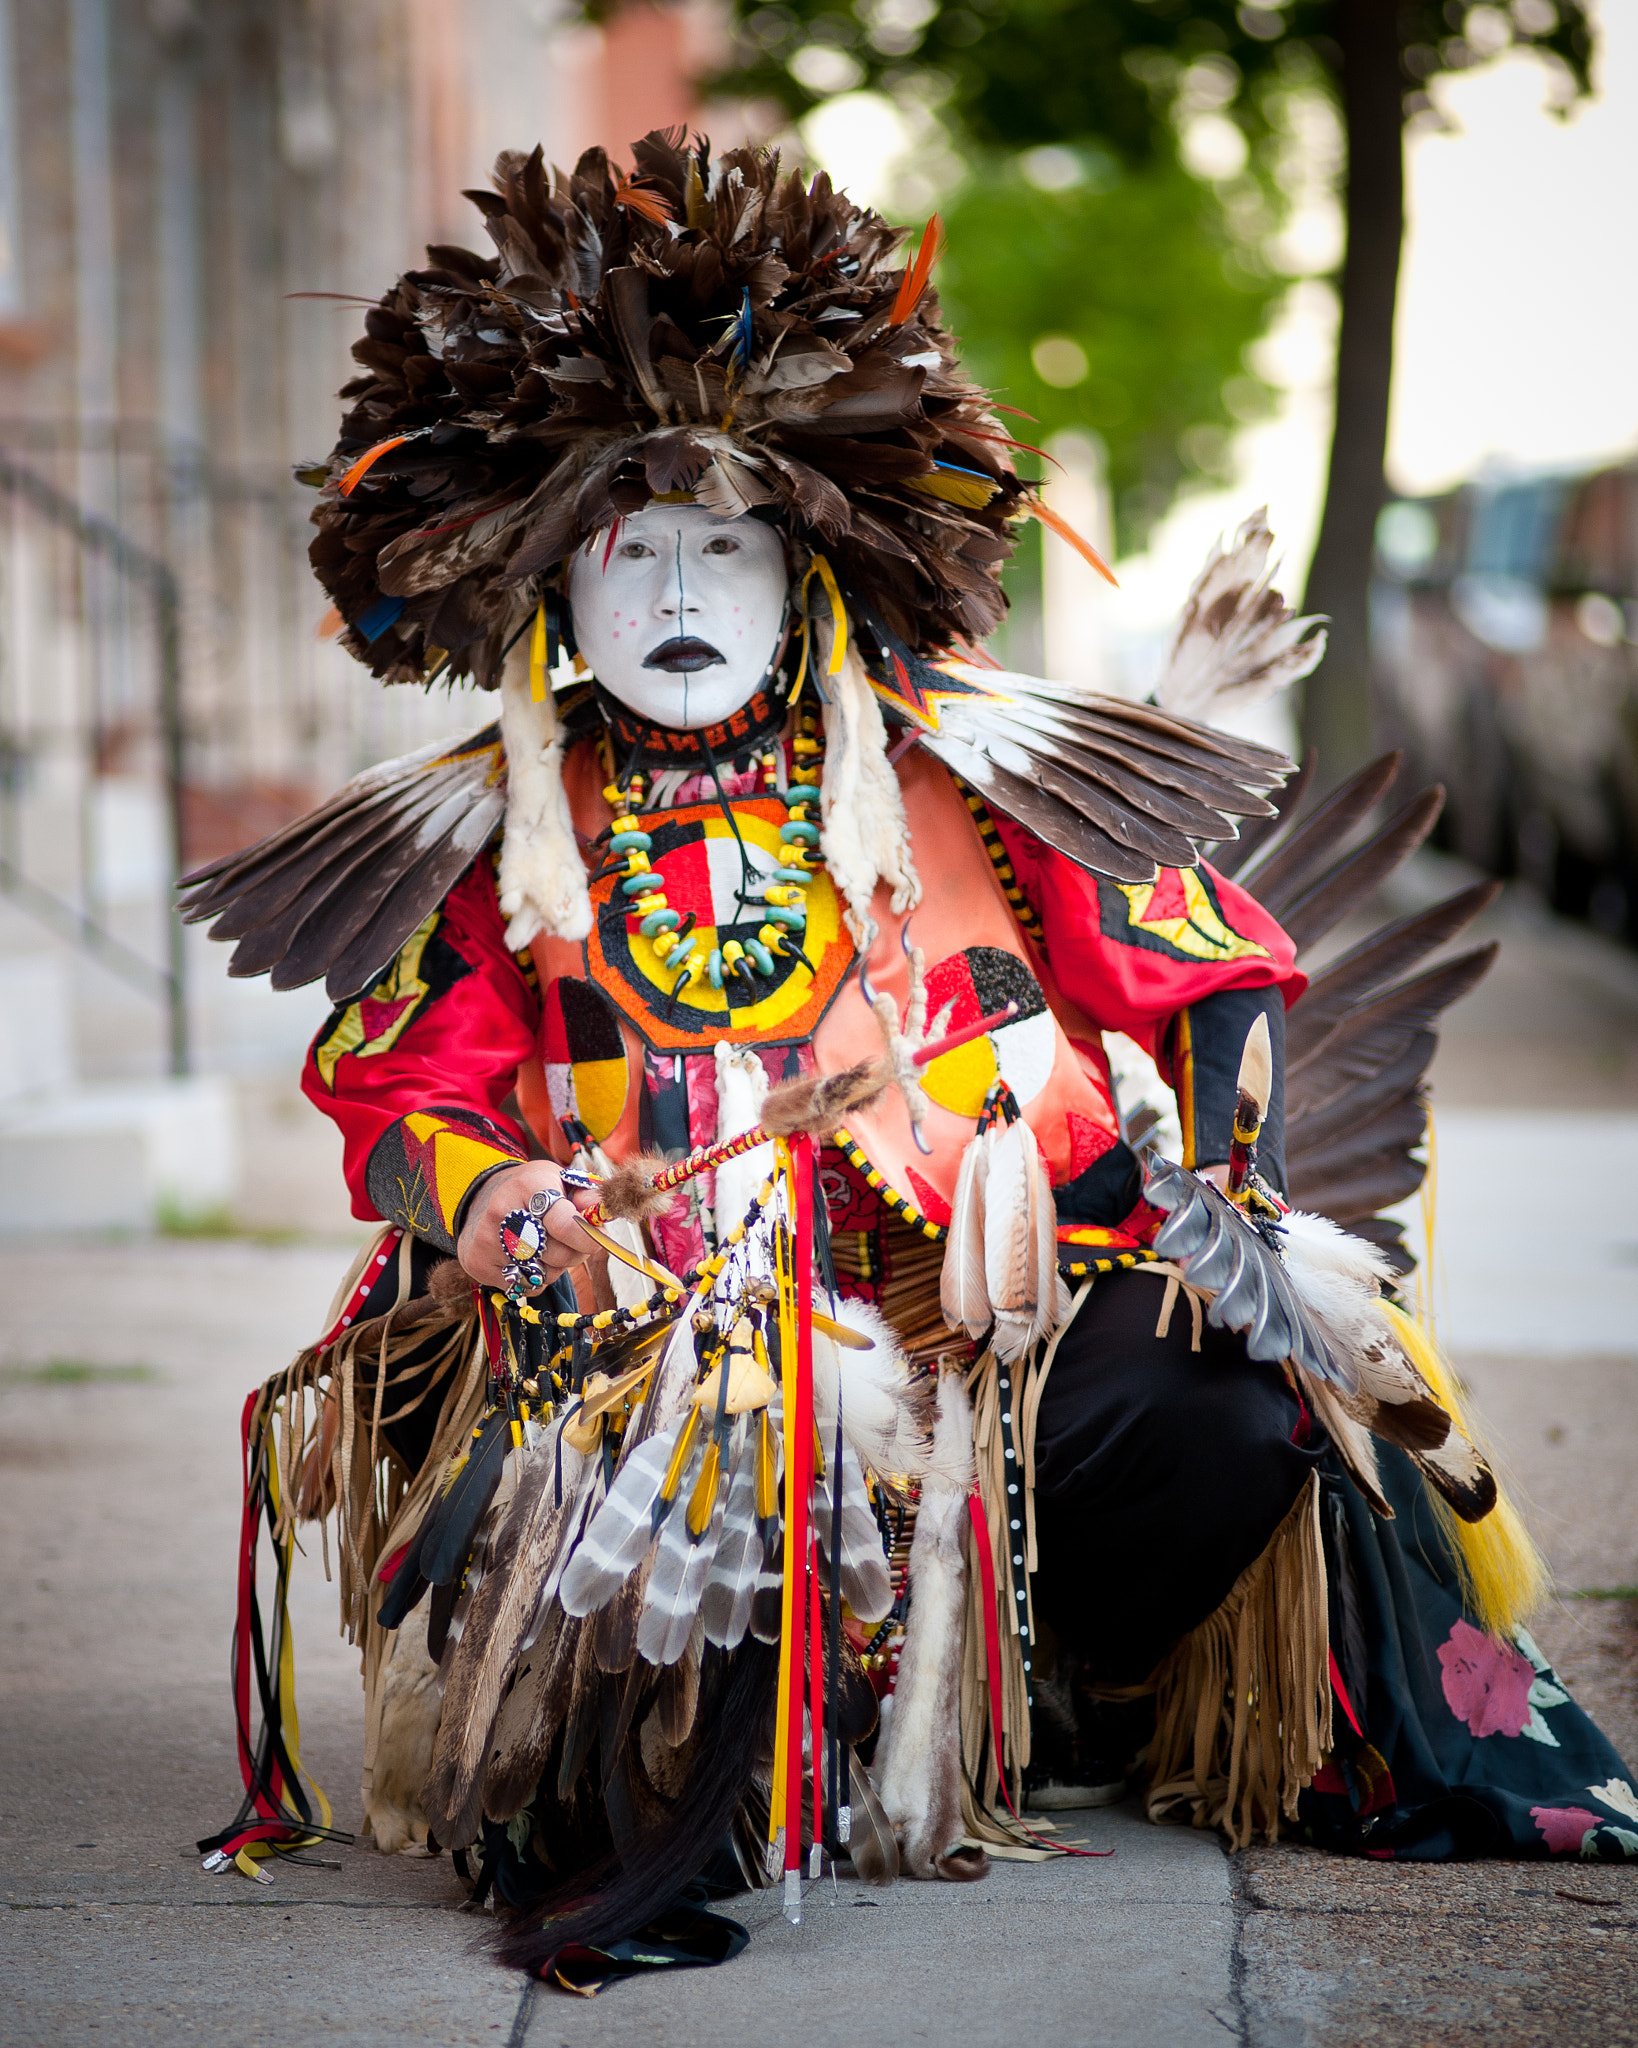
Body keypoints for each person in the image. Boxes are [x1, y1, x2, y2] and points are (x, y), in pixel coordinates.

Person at [185, 131, 1637, 1983]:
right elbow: (399, 1099)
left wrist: (1230, 1195)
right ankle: (714, 1759)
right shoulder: (496, 837)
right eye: (633, 556)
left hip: (982, 1334)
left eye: (732, 548)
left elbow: (1213, 968)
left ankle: (1061, 1682)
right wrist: (492, 1210)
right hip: (637, 1354)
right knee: (706, 1485)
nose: (683, 594)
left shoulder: (958, 776)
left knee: (1235, 1395)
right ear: (554, 593)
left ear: (812, 577)